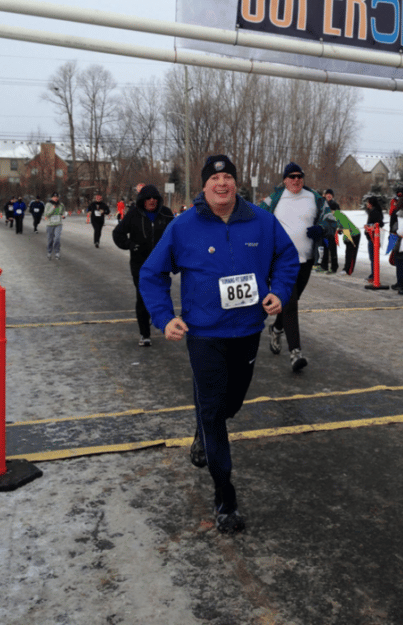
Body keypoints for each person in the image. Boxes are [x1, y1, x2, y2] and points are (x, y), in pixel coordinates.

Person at [139, 154, 298, 533]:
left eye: (228, 177)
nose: (222, 184)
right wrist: (164, 317)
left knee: (232, 404)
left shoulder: (261, 220)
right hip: (205, 335)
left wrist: (280, 291)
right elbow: (152, 273)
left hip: (246, 331)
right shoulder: (184, 226)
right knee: (212, 412)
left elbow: (287, 257)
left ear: (236, 183)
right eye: (215, 178)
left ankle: (204, 429)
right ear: (204, 185)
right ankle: (226, 498)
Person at [259, 162, 335, 371]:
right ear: (284, 180)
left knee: (290, 301)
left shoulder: (315, 198)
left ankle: (276, 329)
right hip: (281, 262)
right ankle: (295, 353)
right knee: (291, 303)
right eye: (291, 177)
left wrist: (321, 229)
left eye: (299, 176)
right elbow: (256, 219)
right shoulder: (274, 199)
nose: (296, 180)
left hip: (306, 260)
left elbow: (331, 221)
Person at [112, 185, 174, 346]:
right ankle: (144, 333)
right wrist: (130, 245)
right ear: (142, 200)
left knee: (161, 295)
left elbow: (178, 234)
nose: (151, 201)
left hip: (161, 263)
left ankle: (166, 324)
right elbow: (117, 233)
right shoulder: (134, 214)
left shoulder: (166, 213)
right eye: (148, 198)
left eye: (154, 198)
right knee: (143, 297)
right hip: (140, 263)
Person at [317, 189, 340, 274]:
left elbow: (338, 216)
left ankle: (334, 267)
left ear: (332, 196)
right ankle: (324, 266)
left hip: (332, 229)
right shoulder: (323, 204)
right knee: (324, 248)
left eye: (330, 194)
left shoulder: (334, 205)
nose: (329, 196)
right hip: (324, 229)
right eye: (327, 194)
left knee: (332, 249)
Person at [364, 195, 384, 283]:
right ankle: (373, 274)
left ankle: (374, 275)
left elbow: (377, 224)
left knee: (373, 257)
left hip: (373, 238)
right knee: (373, 257)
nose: (366, 204)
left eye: (368, 203)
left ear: (371, 204)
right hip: (372, 237)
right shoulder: (373, 211)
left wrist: (368, 228)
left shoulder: (374, 212)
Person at [45, 192, 66, 260]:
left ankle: (57, 252)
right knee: (50, 239)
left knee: (57, 238)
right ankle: (49, 252)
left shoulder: (61, 204)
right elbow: (47, 214)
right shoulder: (48, 204)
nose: (56, 198)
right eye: (54, 197)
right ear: (52, 198)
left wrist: (63, 215)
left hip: (58, 224)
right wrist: (53, 208)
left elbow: (63, 211)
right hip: (50, 224)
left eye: (57, 197)